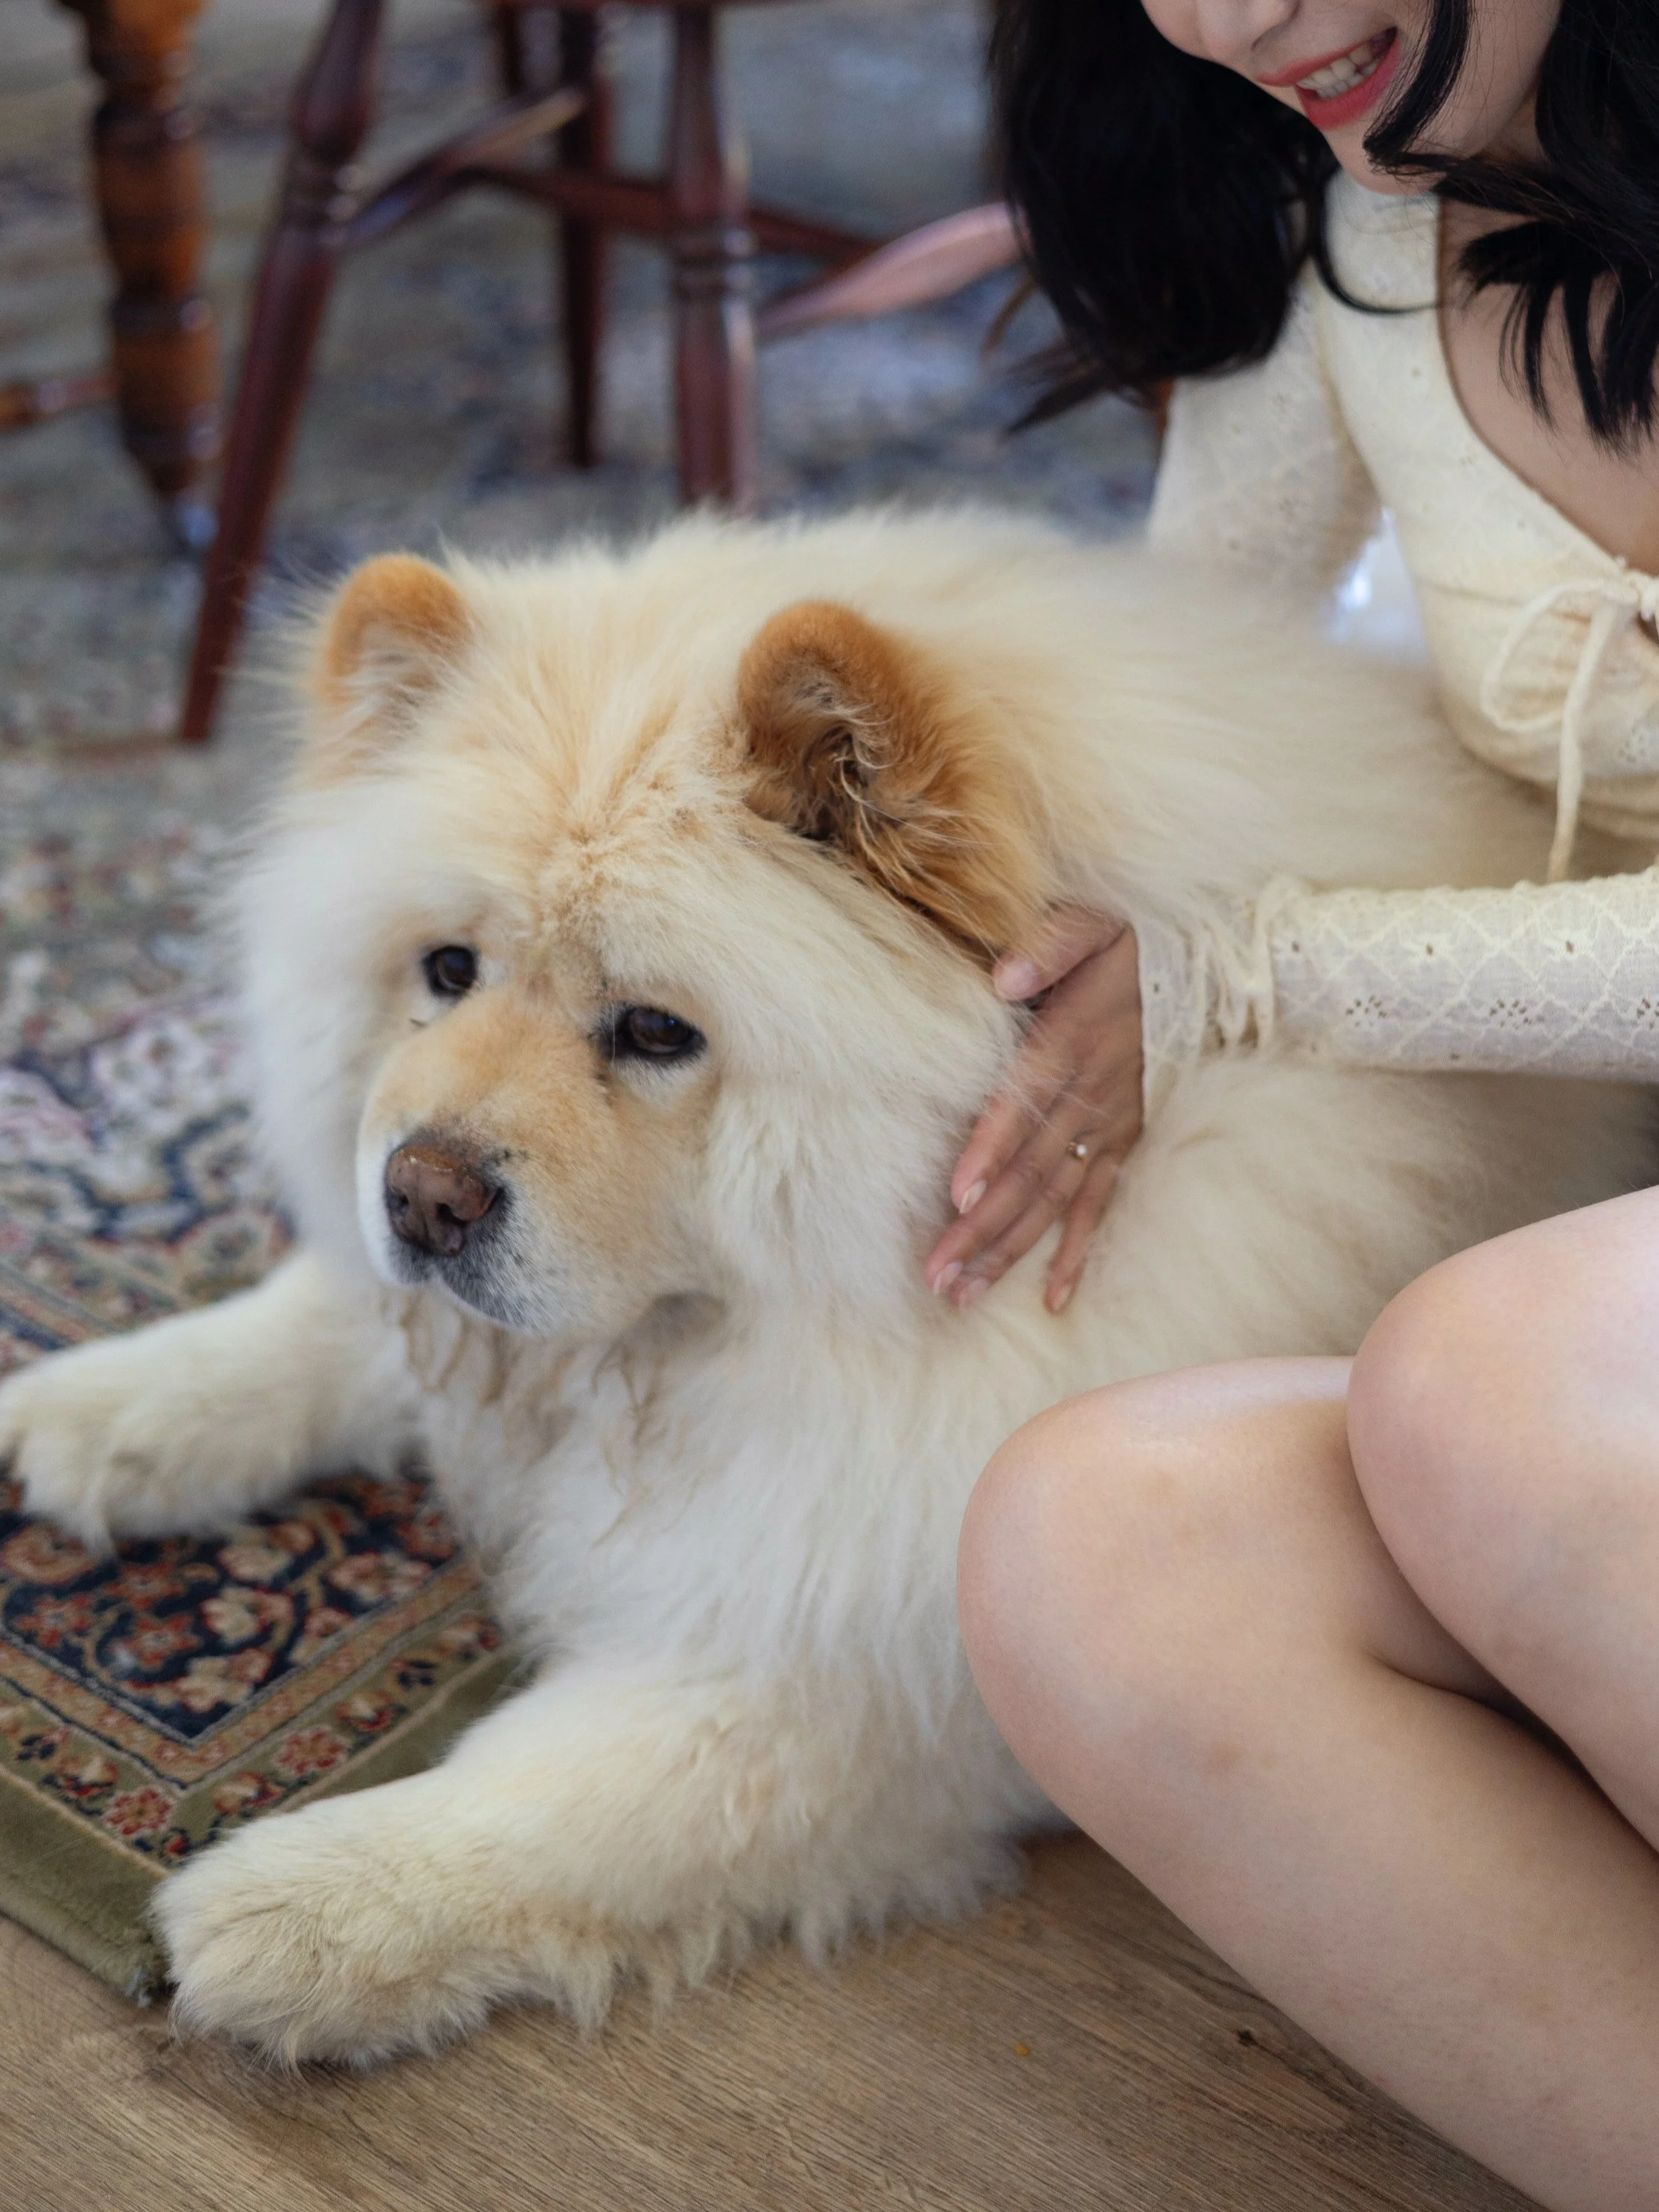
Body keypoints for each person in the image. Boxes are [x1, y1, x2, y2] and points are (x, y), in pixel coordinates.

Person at [943, 4, 1659, 2205]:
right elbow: (1157, 700)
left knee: (1490, 1378)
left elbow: (1226, 948)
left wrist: (1250, 975)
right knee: (1095, 1548)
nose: (1234, 18)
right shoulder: (1357, 246)